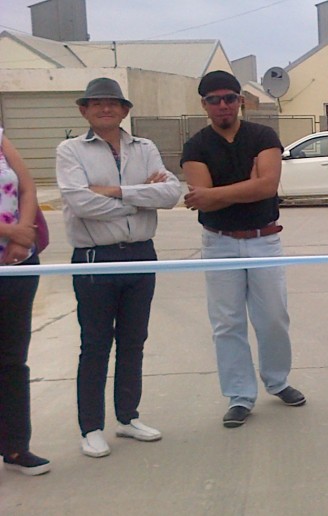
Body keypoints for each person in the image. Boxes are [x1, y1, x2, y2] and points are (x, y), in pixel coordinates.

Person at [54, 78, 182, 458]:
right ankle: (91, 427)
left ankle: (127, 417)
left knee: (133, 340)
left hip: (140, 253)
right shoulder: (70, 150)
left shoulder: (144, 148)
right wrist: (140, 199)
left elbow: (170, 193)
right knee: (95, 344)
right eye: (97, 103)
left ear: (125, 110)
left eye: (113, 103)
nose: (105, 109)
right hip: (95, 258)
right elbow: (80, 203)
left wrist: (115, 191)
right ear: (84, 110)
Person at [181, 71, 306, 428]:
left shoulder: (263, 136)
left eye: (229, 98)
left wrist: (217, 193)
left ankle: (277, 381)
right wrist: (247, 186)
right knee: (227, 323)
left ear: (240, 101)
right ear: (204, 104)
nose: (223, 105)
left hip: (263, 239)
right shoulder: (196, 147)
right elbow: (202, 200)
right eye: (214, 100)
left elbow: (267, 187)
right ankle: (239, 395)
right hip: (219, 242)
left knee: (273, 318)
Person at [0, 130, 50, 475]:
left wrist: (23, 236)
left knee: (12, 359)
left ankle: (16, 446)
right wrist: (9, 232)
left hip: (18, 263)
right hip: (11, 239)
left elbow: (27, 188)